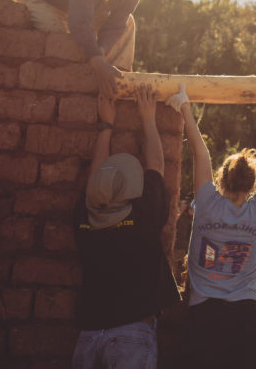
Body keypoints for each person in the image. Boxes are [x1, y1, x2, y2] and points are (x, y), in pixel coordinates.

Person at [167, 81, 256, 369]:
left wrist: (184, 106)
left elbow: (200, 153)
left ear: (221, 179)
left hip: (206, 321)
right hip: (249, 322)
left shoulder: (208, 203)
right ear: (252, 183)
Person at [72, 84, 181, 369]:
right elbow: (157, 166)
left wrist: (106, 125)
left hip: (89, 334)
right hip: (131, 334)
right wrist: (148, 118)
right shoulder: (143, 218)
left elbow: (96, 179)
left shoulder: (85, 219)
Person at [17, 0, 150, 98]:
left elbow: (114, 27)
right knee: (58, 41)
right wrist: (97, 60)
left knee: (128, 23)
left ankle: (119, 81)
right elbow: (80, 22)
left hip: (76, 7)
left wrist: (101, 51)